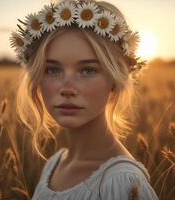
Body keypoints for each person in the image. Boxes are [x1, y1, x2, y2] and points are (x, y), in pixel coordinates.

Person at [10, 0, 159, 199]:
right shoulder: (54, 164)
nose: (67, 89)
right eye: (52, 70)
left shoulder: (123, 183)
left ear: (115, 80)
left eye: (88, 70)